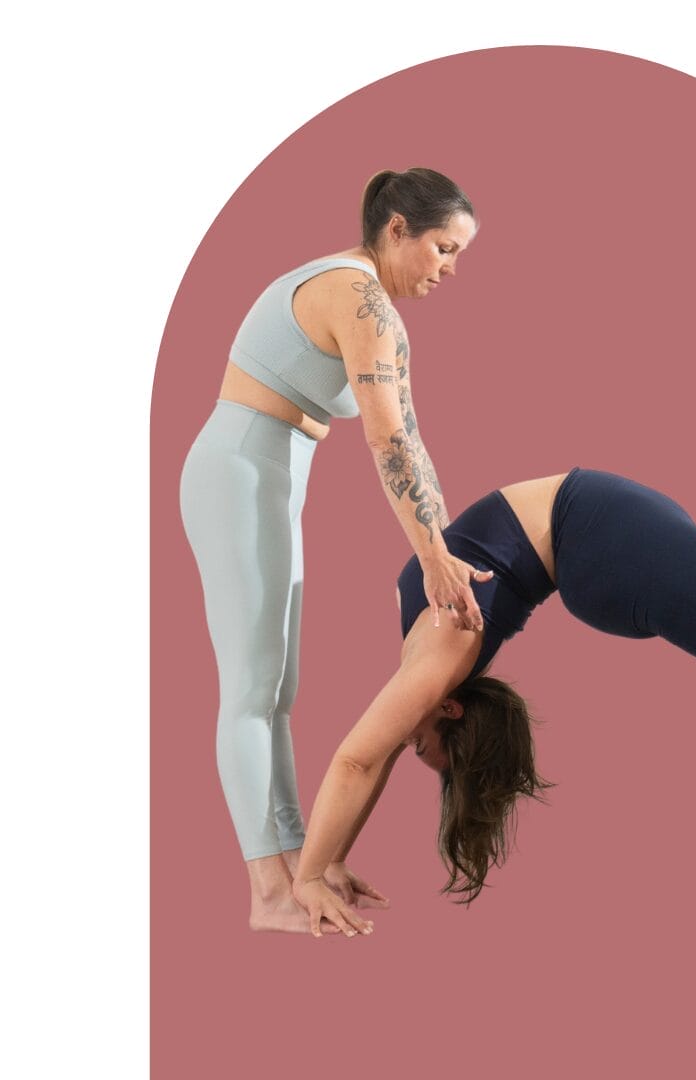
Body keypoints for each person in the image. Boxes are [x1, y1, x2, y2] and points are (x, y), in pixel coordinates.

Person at [289, 468, 696, 942]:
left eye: (416, 746)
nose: (402, 735)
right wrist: (311, 875)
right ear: (451, 710)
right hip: (602, 539)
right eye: (414, 740)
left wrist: (332, 861)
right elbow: (358, 762)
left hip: (601, 530)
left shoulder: (431, 664)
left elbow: (372, 759)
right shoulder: (446, 652)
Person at [180, 167, 492, 933]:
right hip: (243, 468)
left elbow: (409, 436)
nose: (449, 269)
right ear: (396, 230)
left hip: (268, 469)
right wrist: (431, 554)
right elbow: (389, 440)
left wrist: (442, 548)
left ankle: (299, 870)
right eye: (443, 248)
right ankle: (268, 895)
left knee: (277, 692)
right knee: (253, 692)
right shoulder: (360, 298)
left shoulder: (369, 303)